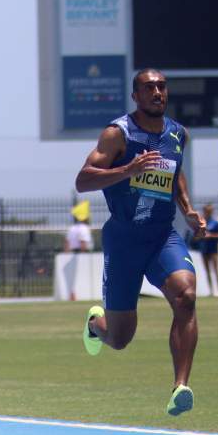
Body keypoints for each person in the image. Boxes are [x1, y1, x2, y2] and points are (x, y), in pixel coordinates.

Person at [76, 68, 204, 416]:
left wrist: (189, 210)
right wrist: (127, 170)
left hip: (162, 236)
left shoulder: (178, 134)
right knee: (119, 339)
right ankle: (94, 325)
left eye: (162, 87)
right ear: (136, 96)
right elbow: (84, 180)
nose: (157, 92)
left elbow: (175, 176)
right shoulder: (117, 135)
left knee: (187, 296)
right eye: (149, 88)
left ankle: (180, 386)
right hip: (124, 241)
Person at [199, 204, 218, 297]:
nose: (208, 212)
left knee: (216, 269)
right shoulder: (201, 222)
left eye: (209, 211)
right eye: (206, 210)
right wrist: (201, 236)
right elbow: (196, 236)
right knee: (207, 270)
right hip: (204, 249)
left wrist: (211, 236)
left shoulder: (215, 223)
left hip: (214, 249)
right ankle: (211, 290)